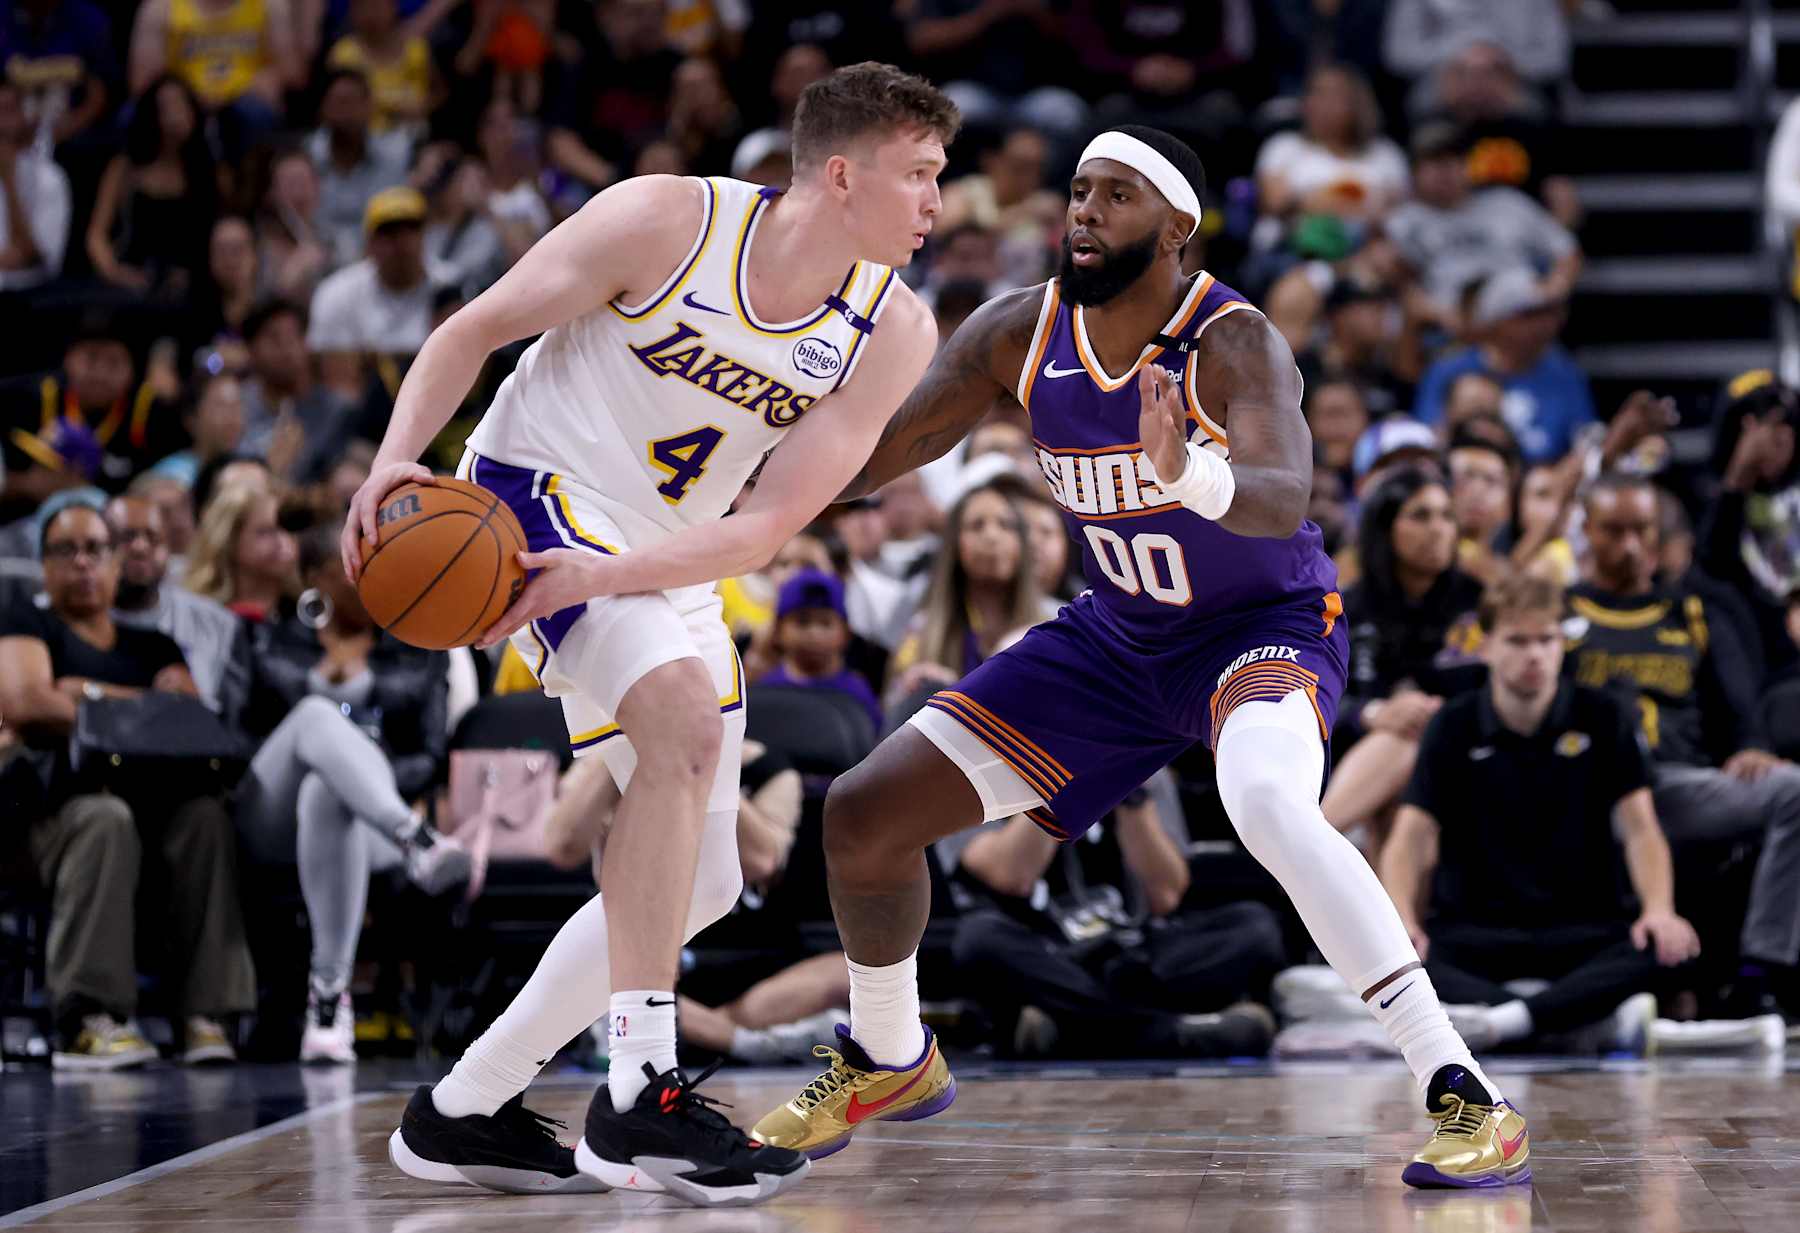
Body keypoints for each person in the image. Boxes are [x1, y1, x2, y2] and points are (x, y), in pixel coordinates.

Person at [751, 125, 1529, 1190]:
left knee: (1266, 805)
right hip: (1117, 638)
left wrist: (1191, 474)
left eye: (1114, 196)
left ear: (1176, 228)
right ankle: (890, 1052)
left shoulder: (1234, 342)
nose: (1083, 211)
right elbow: (881, 451)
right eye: (1077, 191)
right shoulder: (1017, 333)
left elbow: (1284, 499)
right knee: (862, 813)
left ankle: (1464, 1093)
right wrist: (745, 482)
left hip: (1261, 629)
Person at [358, 62, 954, 1204]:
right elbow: (473, 328)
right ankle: (639, 1094)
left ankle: (465, 1107)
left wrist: (620, 572)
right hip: (533, 495)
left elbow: (772, 525)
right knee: (680, 721)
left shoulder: (893, 329)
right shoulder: (665, 220)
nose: (937, 203)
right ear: (841, 174)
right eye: (919, 175)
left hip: (662, 551)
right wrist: (394, 466)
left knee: (704, 883)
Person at [1381, 572, 1700, 1051]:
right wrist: (1402, 919)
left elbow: (1641, 831)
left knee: (1670, 950)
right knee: (1402, 964)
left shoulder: (1604, 716)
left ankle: (1503, 1022)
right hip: (1478, 931)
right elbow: (1409, 837)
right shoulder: (1453, 725)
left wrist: (1659, 910)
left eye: (1547, 639)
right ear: (1485, 646)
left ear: (1562, 644)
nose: (1535, 654)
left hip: (1580, 928)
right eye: (1517, 640)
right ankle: (1571, 1017)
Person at [0, 501, 255, 1068]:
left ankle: (205, 1015)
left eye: (96, 549)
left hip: (152, 812)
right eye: (67, 551)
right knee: (104, 819)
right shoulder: (25, 621)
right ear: (44, 567)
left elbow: (194, 719)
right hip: (45, 816)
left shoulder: (153, 647)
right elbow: (25, 699)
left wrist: (82, 693)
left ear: (116, 565)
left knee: (206, 819)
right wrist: (146, 705)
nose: (83, 563)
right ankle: (90, 1019)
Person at [1569, 473, 1800, 1024]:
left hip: (1675, 783)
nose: (1627, 545)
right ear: (1586, 532)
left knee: (1793, 790)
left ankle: (1760, 973)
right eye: (1612, 530)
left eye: (1639, 531)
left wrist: (1750, 745)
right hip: (1583, 788)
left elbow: (1735, 699)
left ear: (1656, 535)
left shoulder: (1691, 614)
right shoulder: (1559, 613)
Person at [237, 521, 464, 1062]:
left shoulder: (418, 647)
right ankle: (417, 839)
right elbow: (244, 733)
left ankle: (327, 1000)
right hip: (269, 809)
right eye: (356, 560)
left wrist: (358, 773)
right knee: (315, 716)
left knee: (327, 791)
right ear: (315, 576)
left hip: (363, 822)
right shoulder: (272, 638)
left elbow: (431, 757)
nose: (374, 572)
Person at [1322, 468, 1480, 840]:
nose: (1439, 529)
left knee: (1408, 738)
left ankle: (1314, 839)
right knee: (1400, 766)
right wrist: (1375, 713)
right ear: (1386, 528)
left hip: (1468, 750)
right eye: (1421, 516)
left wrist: (1434, 712)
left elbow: (1488, 684)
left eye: (1446, 516)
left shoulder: (1478, 601)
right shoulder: (1349, 607)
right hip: (1373, 753)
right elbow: (1322, 694)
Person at [105, 493, 247, 717]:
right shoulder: (68, 617)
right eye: (127, 537)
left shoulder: (218, 623)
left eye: (153, 538)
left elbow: (236, 720)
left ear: (169, 549)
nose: (140, 547)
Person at [85, 74, 218, 300]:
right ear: (151, 114)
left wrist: (199, 275)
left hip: (191, 285)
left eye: (181, 104)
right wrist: (114, 272)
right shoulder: (125, 168)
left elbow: (220, 233)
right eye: (166, 106)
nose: (175, 115)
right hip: (130, 280)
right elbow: (96, 235)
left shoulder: (209, 170)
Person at [759, 567, 882, 736]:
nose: (814, 633)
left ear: (846, 633)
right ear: (778, 630)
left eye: (825, 623)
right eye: (803, 622)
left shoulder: (857, 693)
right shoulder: (766, 690)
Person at [183, 480, 295, 621]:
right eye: (265, 531)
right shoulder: (199, 615)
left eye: (289, 528)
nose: (282, 541)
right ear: (229, 540)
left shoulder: (305, 612)